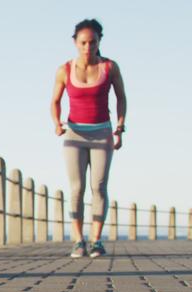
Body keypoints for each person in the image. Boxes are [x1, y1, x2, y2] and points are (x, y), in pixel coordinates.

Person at [50, 18, 127, 258]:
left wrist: (120, 127)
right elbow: (54, 101)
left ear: (99, 42)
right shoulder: (64, 69)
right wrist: (56, 123)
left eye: (92, 42)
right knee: (77, 188)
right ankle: (78, 240)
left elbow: (121, 98)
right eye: (83, 42)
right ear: (75, 42)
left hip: (102, 132)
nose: (87, 47)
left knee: (99, 187)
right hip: (74, 134)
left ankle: (95, 240)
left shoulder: (110, 67)